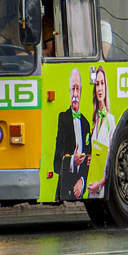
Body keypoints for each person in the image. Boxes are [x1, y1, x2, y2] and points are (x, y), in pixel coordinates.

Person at [53, 67, 92, 200]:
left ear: (81, 91)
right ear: (69, 92)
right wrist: (71, 162)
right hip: (64, 188)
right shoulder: (63, 118)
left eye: (77, 89)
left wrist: (81, 180)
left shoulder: (86, 123)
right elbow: (56, 163)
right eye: (72, 89)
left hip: (81, 189)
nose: (75, 94)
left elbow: (89, 157)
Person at [87, 67, 115, 197]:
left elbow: (112, 156)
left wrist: (101, 183)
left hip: (102, 185)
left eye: (102, 83)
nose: (99, 88)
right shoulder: (94, 119)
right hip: (92, 182)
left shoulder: (110, 120)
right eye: (97, 84)